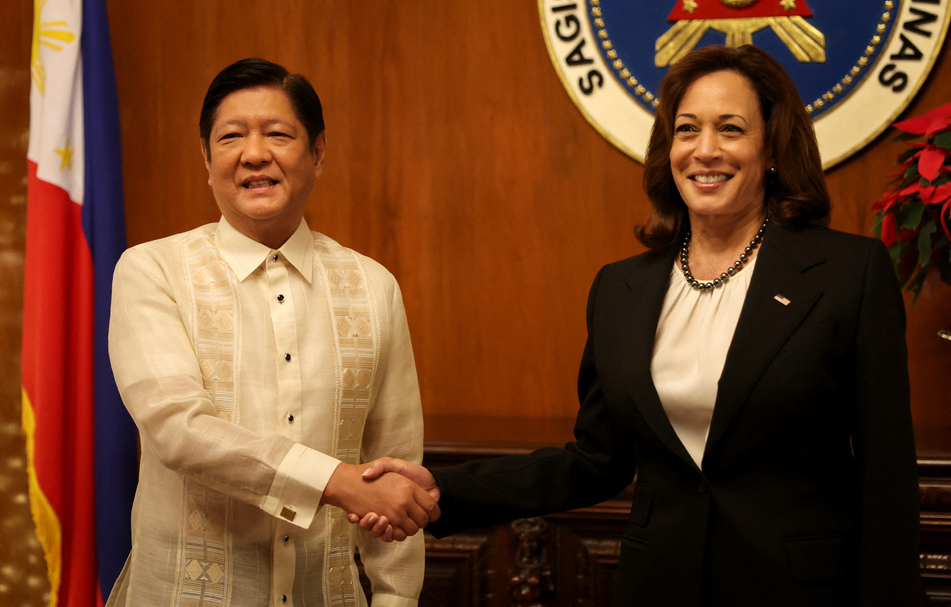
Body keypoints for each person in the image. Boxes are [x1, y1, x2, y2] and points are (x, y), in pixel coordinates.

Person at [352, 45, 921, 605]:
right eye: (687, 129)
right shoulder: (621, 289)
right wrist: (443, 489)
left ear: (771, 147)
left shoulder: (849, 274)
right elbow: (595, 461)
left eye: (730, 129)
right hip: (659, 583)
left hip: (800, 589)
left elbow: (885, 474)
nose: (704, 150)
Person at [106, 58, 437, 607]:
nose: (254, 153)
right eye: (231, 136)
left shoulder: (373, 286)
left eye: (278, 134)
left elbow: (394, 460)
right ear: (206, 159)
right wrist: (335, 481)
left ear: (318, 152)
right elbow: (177, 428)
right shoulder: (151, 270)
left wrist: (395, 598)